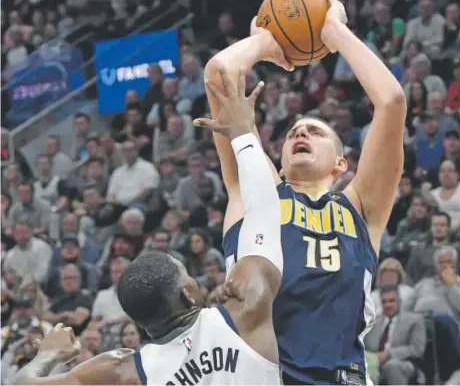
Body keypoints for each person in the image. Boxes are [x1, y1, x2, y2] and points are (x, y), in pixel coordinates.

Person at [14, 68, 284, 385]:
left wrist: (47, 355)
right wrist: (242, 133)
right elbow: (266, 206)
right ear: (187, 294)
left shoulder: (125, 371)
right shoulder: (246, 310)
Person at [198, 0, 407, 385]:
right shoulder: (255, 196)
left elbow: (392, 101)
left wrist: (336, 32)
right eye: (294, 131)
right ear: (276, 162)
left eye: (316, 131)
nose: (302, 132)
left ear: (341, 164)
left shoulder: (361, 208)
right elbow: (218, 73)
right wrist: (264, 41)